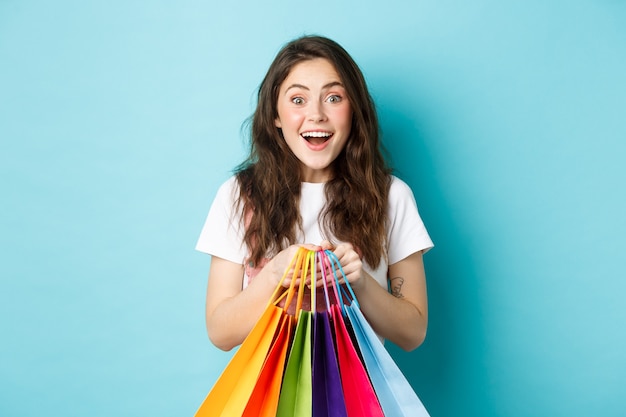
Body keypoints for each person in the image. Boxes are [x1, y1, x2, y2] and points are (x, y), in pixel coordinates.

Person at [196, 35, 433, 353]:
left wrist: (359, 281)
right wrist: (274, 275)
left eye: (334, 98)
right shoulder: (238, 196)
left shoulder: (392, 196)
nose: (317, 114)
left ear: (354, 111)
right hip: (268, 402)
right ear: (275, 116)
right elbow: (220, 331)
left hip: (360, 402)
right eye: (298, 100)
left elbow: (413, 332)